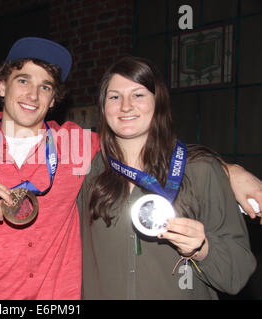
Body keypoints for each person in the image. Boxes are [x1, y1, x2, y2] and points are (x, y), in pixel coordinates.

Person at [0, 37, 261, 300]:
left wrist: (228, 169)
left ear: (54, 100)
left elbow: (138, 144)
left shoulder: (78, 146)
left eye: (45, 87)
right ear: (1, 86)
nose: (33, 95)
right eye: (23, 80)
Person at [77, 56, 257, 299]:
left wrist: (203, 249)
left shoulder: (201, 170)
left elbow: (237, 274)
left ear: (158, 101)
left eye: (138, 94)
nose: (126, 106)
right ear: (103, 107)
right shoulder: (86, 172)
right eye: (114, 97)